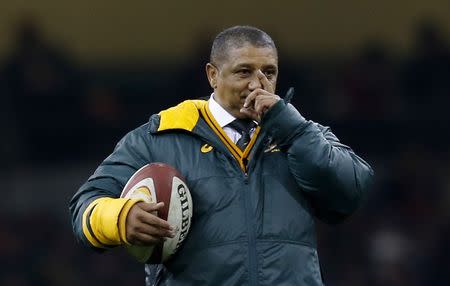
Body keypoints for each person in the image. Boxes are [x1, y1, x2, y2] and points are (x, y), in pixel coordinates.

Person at [70, 25, 374, 285]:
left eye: (269, 72)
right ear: (213, 75)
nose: (258, 84)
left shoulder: (303, 134)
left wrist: (293, 132)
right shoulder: (161, 137)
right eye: (244, 72)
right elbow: (84, 206)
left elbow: (351, 193)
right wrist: (121, 218)